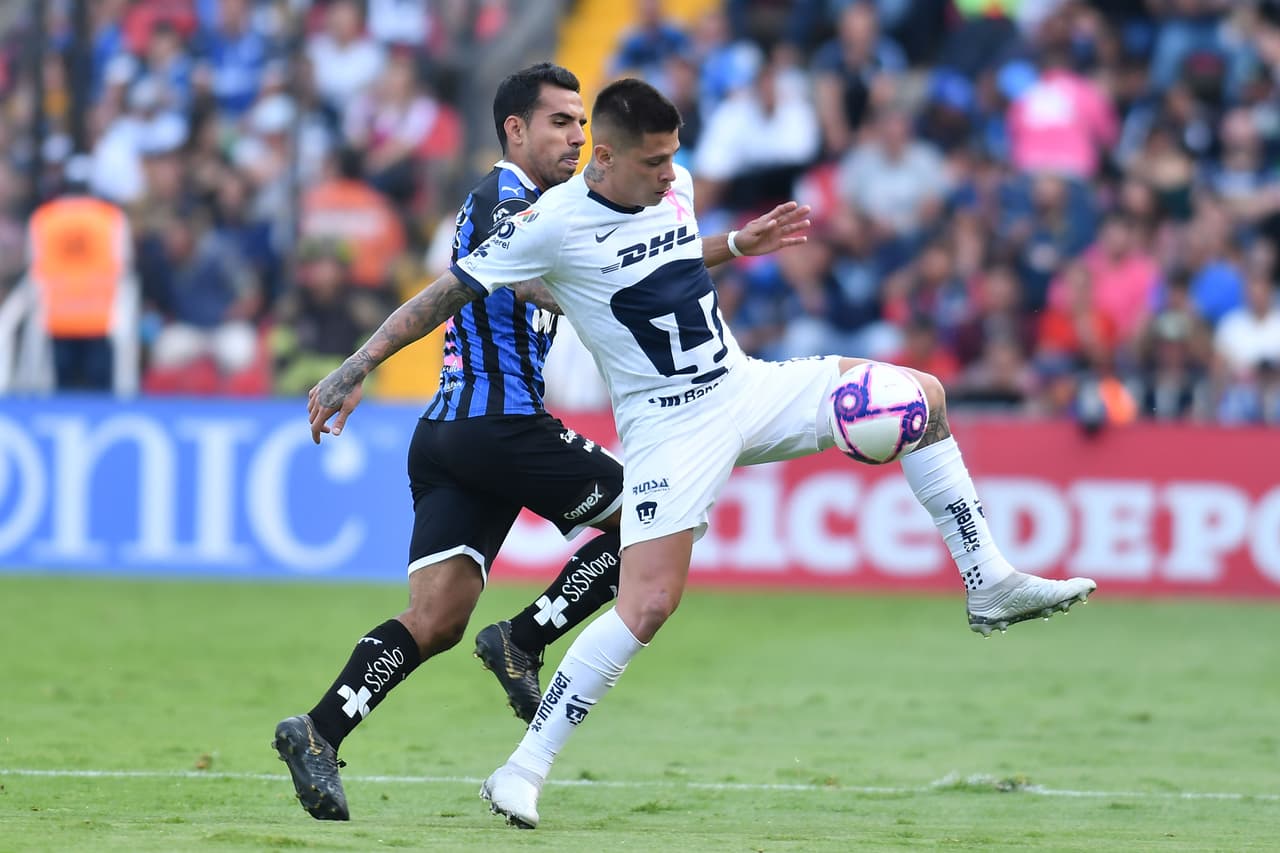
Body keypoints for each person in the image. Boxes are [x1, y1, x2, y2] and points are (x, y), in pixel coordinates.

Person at [306, 79, 1097, 830]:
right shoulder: (550, 227)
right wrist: (356, 366)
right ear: (606, 160)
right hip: (666, 431)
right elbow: (441, 295)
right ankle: (523, 766)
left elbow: (670, 254)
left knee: (920, 395)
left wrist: (737, 242)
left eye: (671, 156)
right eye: (653, 161)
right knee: (648, 603)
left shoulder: (671, 186)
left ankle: (987, 581)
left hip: (744, 387)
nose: (670, 172)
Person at [271, 63, 811, 822]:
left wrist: (727, 243)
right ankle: (523, 639)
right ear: (515, 130)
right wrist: (357, 366)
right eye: (560, 121)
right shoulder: (510, 201)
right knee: (651, 523)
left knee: (436, 616)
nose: (577, 136)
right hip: (501, 424)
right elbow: (535, 285)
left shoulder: (560, 209)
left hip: (451, 434)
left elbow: (619, 265)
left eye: (582, 123)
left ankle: (319, 729)